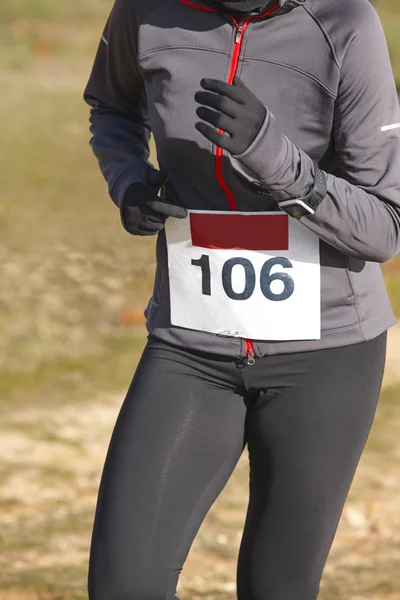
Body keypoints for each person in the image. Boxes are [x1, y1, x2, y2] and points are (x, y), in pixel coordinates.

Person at [83, 0, 400, 598]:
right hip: (190, 345)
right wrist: (129, 182)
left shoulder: (345, 24)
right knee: (123, 584)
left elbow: (384, 226)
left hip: (326, 356)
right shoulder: (144, 11)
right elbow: (112, 106)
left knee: (276, 587)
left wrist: (272, 155)